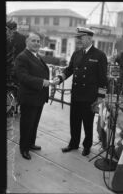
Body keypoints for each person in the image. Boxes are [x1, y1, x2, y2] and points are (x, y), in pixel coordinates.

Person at [52, 27, 108, 156]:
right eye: (77, 38)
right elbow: (69, 69)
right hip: (76, 94)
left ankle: (87, 145)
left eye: (81, 38)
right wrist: (60, 78)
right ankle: (73, 143)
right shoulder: (76, 54)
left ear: (89, 38)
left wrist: (100, 97)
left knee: (88, 123)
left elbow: (103, 79)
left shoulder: (99, 55)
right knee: (74, 121)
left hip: (90, 96)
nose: (78, 41)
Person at [15, 32, 51, 160]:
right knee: (26, 124)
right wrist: (42, 82)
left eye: (38, 41)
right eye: (33, 41)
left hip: (39, 97)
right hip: (29, 97)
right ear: (27, 42)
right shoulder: (22, 57)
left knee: (34, 123)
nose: (36, 43)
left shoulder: (36, 56)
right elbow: (23, 77)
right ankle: (23, 148)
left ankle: (30, 143)